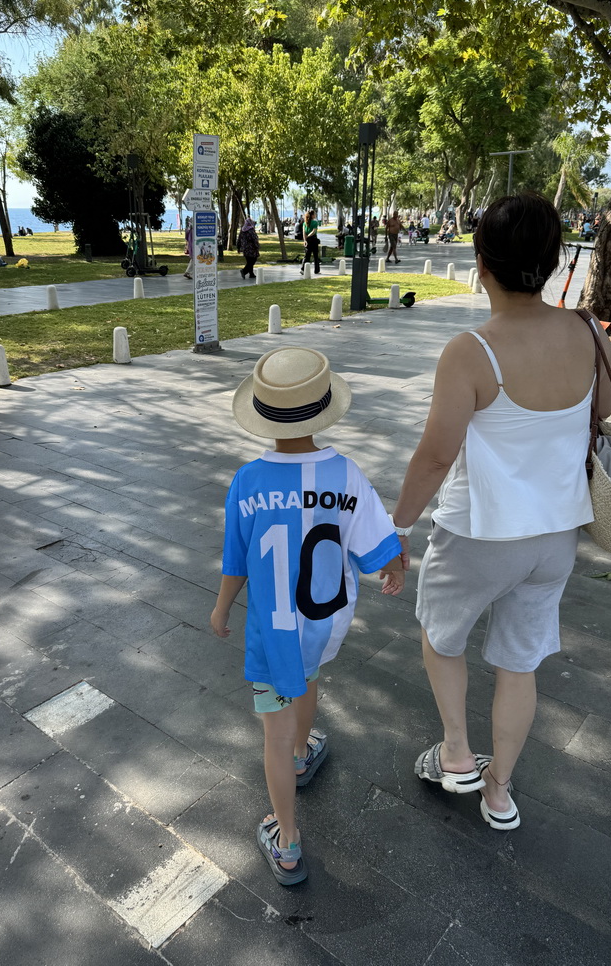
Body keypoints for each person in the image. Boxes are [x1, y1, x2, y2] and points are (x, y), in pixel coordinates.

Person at [387, 192, 611, 831]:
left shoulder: (471, 351)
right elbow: (595, 415)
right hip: (556, 536)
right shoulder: (590, 333)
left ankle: (456, 752)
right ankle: (499, 791)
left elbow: (435, 458)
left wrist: (398, 526)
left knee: (441, 633)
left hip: (480, 531)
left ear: (481, 264)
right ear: (550, 261)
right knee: (520, 661)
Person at [211, 347, 405, 885]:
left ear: (262, 415)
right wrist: (395, 570)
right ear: (324, 408)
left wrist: (222, 607)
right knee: (312, 674)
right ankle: (303, 751)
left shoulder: (247, 482)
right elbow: (378, 549)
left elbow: (236, 561)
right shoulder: (345, 474)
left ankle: (289, 840)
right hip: (324, 623)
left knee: (270, 729)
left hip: (270, 637)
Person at [300, 210, 320, 275]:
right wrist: (309, 236)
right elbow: (314, 231)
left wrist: (305, 240)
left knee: (307, 255)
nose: (315, 215)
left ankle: (303, 269)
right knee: (315, 256)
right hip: (313, 239)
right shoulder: (315, 222)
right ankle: (316, 270)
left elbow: (304, 232)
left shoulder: (304, 223)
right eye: (314, 214)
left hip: (308, 241)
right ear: (312, 215)